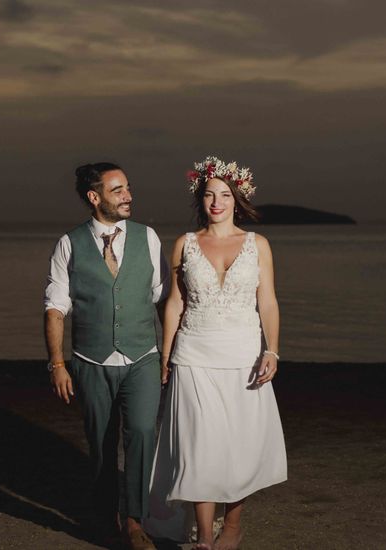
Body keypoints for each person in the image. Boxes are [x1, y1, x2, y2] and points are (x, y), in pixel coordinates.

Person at [147, 156, 287, 550]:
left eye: (225, 194)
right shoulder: (185, 244)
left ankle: (233, 526)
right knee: (198, 446)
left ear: (237, 198)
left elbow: (269, 302)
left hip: (244, 356)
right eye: (209, 194)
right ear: (200, 199)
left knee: (240, 446)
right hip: (193, 355)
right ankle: (205, 538)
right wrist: (166, 353)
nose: (216, 202)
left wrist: (272, 351)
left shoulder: (258, 245)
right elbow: (174, 303)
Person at [45, 162, 168, 550]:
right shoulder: (69, 243)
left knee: (143, 434)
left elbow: (164, 299)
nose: (129, 195)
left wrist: (169, 352)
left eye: (129, 187)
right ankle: (105, 515)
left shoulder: (148, 238)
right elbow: (54, 308)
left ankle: (133, 520)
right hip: (91, 361)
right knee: (99, 442)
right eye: (118, 190)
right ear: (94, 197)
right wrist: (58, 363)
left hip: (143, 357)